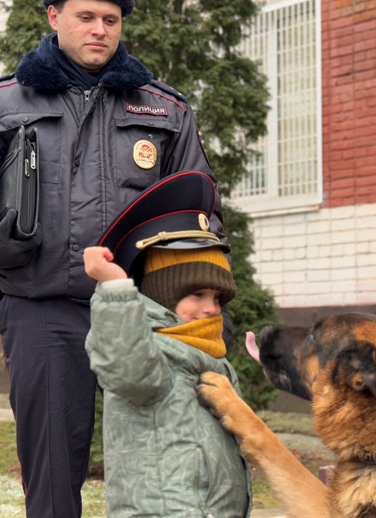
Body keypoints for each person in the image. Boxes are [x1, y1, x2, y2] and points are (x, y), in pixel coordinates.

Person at [0, 0, 225, 517]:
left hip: (141, 314)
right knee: (52, 475)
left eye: (111, 19)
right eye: (85, 16)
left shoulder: (165, 109)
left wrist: (195, 299)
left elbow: (199, 213)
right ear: (53, 15)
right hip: (40, 308)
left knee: (162, 467)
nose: (99, 29)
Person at [83, 170, 250, 518]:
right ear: (160, 296)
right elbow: (124, 367)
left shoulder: (209, 356)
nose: (211, 308)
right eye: (197, 294)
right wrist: (115, 289)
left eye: (218, 298)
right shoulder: (150, 353)